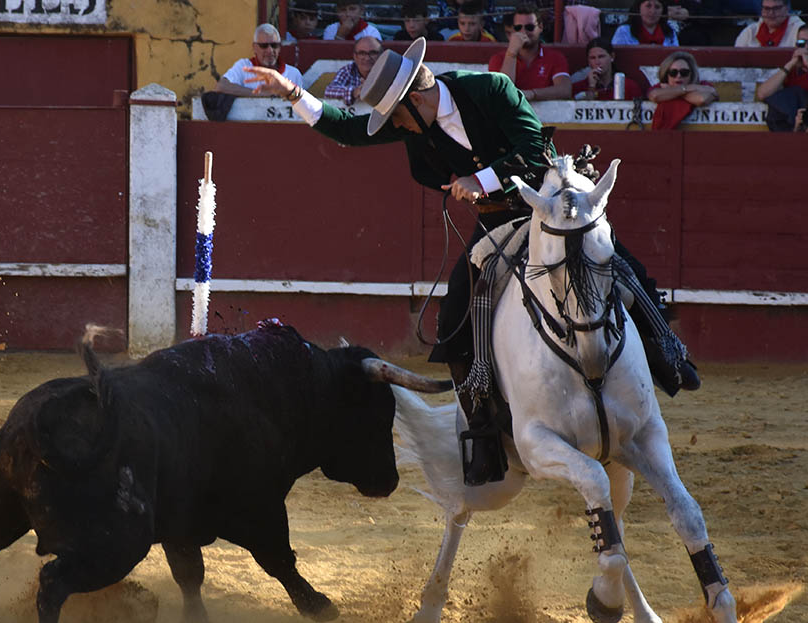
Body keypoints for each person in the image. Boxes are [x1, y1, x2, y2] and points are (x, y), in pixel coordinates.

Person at [244, 39, 700, 486]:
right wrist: (291, 91)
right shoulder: (412, 119)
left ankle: (667, 353)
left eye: (397, 119)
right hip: (497, 222)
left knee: (613, 259)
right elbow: (346, 128)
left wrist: (478, 178)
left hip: (545, 205)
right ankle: (484, 432)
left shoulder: (491, 89)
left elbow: (530, 145)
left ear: (416, 98)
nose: (395, 128)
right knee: (454, 316)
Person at [489, 5, 572, 102]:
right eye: (518, 27)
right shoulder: (498, 59)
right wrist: (511, 53)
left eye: (530, 27)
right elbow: (501, 92)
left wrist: (532, 94)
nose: (524, 32)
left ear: (540, 27)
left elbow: (564, 90)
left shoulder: (556, 57)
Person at [216, 24, 303, 97]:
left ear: (279, 47)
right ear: (254, 47)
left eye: (274, 45)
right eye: (264, 46)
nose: (270, 50)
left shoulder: (294, 74)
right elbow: (221, 86)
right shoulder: (244, 67)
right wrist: (261, 94)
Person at [648, 51, 718, 129]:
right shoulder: (660, 86)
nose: (678, 76)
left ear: (691, 74)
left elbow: (702, 99)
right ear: (666, 74)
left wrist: (671, 92)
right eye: (673, 72)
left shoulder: (702, 84)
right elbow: (654, 96)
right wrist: (689, 88)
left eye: (684, 72)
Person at [572, 38, 645, 100]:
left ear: (612, 57)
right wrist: (591, 87)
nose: (597, 62)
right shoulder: (578, 87)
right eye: (592, 58)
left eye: (601, 57)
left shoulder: (630, 86)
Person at [324, 36, 383, 105]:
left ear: (381, 55)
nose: (367, 58)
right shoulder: (349, 70)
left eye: (373, 53)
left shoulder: (389, 70)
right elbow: (329, 91)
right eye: (362, 53)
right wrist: (354, 92)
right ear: (355, 56)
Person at [734, 0, 804, 47]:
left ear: (787, 8)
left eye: (776, 8)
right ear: (761, 10)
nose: (771, 13)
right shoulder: (750, 31)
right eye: (767, 8)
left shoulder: (800, 30)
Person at [611, 0, 681, 45]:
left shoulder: (670, 33)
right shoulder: (624, 31)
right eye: (648, 6)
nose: (653, 11)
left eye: (657, 7)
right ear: (638, 8)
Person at [434, 0, 499, 35]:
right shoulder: (445, 3)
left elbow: (487, 24)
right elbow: (444, 25)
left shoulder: (486, 3)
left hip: (479, 36)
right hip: (452, 36)